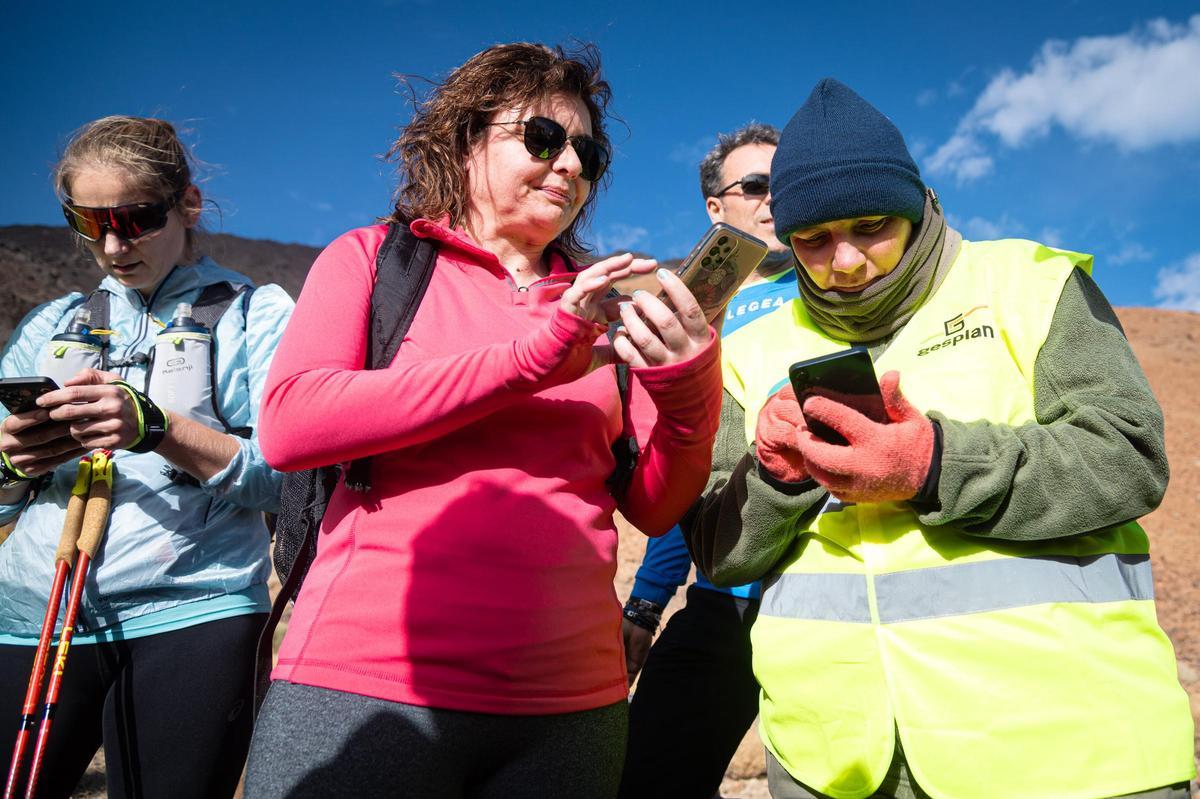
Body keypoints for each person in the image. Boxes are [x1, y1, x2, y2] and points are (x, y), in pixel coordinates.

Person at [684, 78, 1195, 799]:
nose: (848, 263)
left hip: (1070, 756)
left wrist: (933, 466)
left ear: (917, 206)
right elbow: (722, 549)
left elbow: (1129, 458)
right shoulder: (748, 348)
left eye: (870, 228)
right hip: (831, 765)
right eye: (815, 240)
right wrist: (776, 475)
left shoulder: (1030, 285)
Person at [246, 42, 723, 799]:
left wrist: (691, 384)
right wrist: (527, 361)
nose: (569, 165)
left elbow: (655, 502)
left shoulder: (603, 306)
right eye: (541, 138)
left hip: (570, 709)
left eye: (587, 152)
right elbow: (291, 423)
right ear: (466, 141)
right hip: (363, 685)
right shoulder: (373, 261)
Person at [0, 116, 293, 798]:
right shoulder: (48, 324)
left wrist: (156, 428)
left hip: (198, 615)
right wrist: (14, 462)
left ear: (187, 203)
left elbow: (292, 480)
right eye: (86, 220)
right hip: (30, 616)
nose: (110, 245)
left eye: (134, 219)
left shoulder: (258, 312)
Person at [619, 122, 796, 799]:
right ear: (716, 208)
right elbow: (690, 473)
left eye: (786, 180)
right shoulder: (694, 319)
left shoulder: (847, 288)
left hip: (823, 595)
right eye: (755, 185)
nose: (774, 198)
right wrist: (643, 606)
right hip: (726, 599)